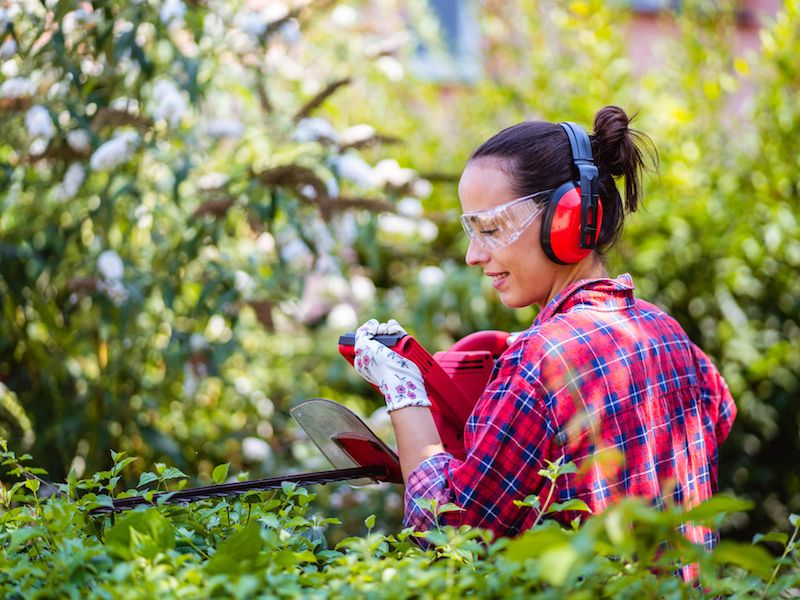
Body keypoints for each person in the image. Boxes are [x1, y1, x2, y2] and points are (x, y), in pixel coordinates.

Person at [353, 106, 736, 557]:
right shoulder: (664, 330)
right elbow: (719, 413)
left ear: (568, 219)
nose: (473, 255)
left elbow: (446, 530)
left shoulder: (539, 361)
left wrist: (404, 393)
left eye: (491, 229)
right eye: (471, 230)